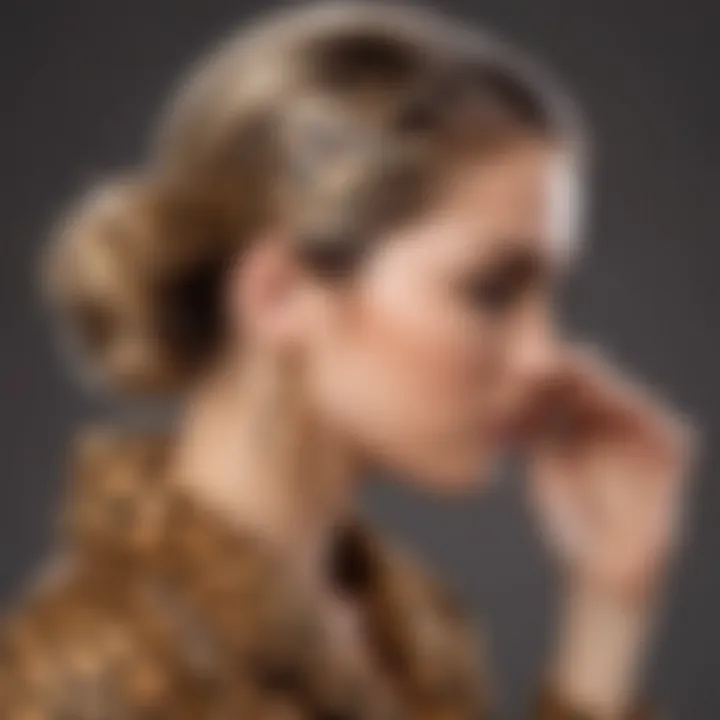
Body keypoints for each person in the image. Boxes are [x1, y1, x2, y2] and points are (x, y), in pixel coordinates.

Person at [0, 3, 693, 718]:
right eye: (491, 292)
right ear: (279, 295)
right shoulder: (85, 673)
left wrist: (610, 606)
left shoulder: (415, 628)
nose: (544, 356)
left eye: (549, 294)